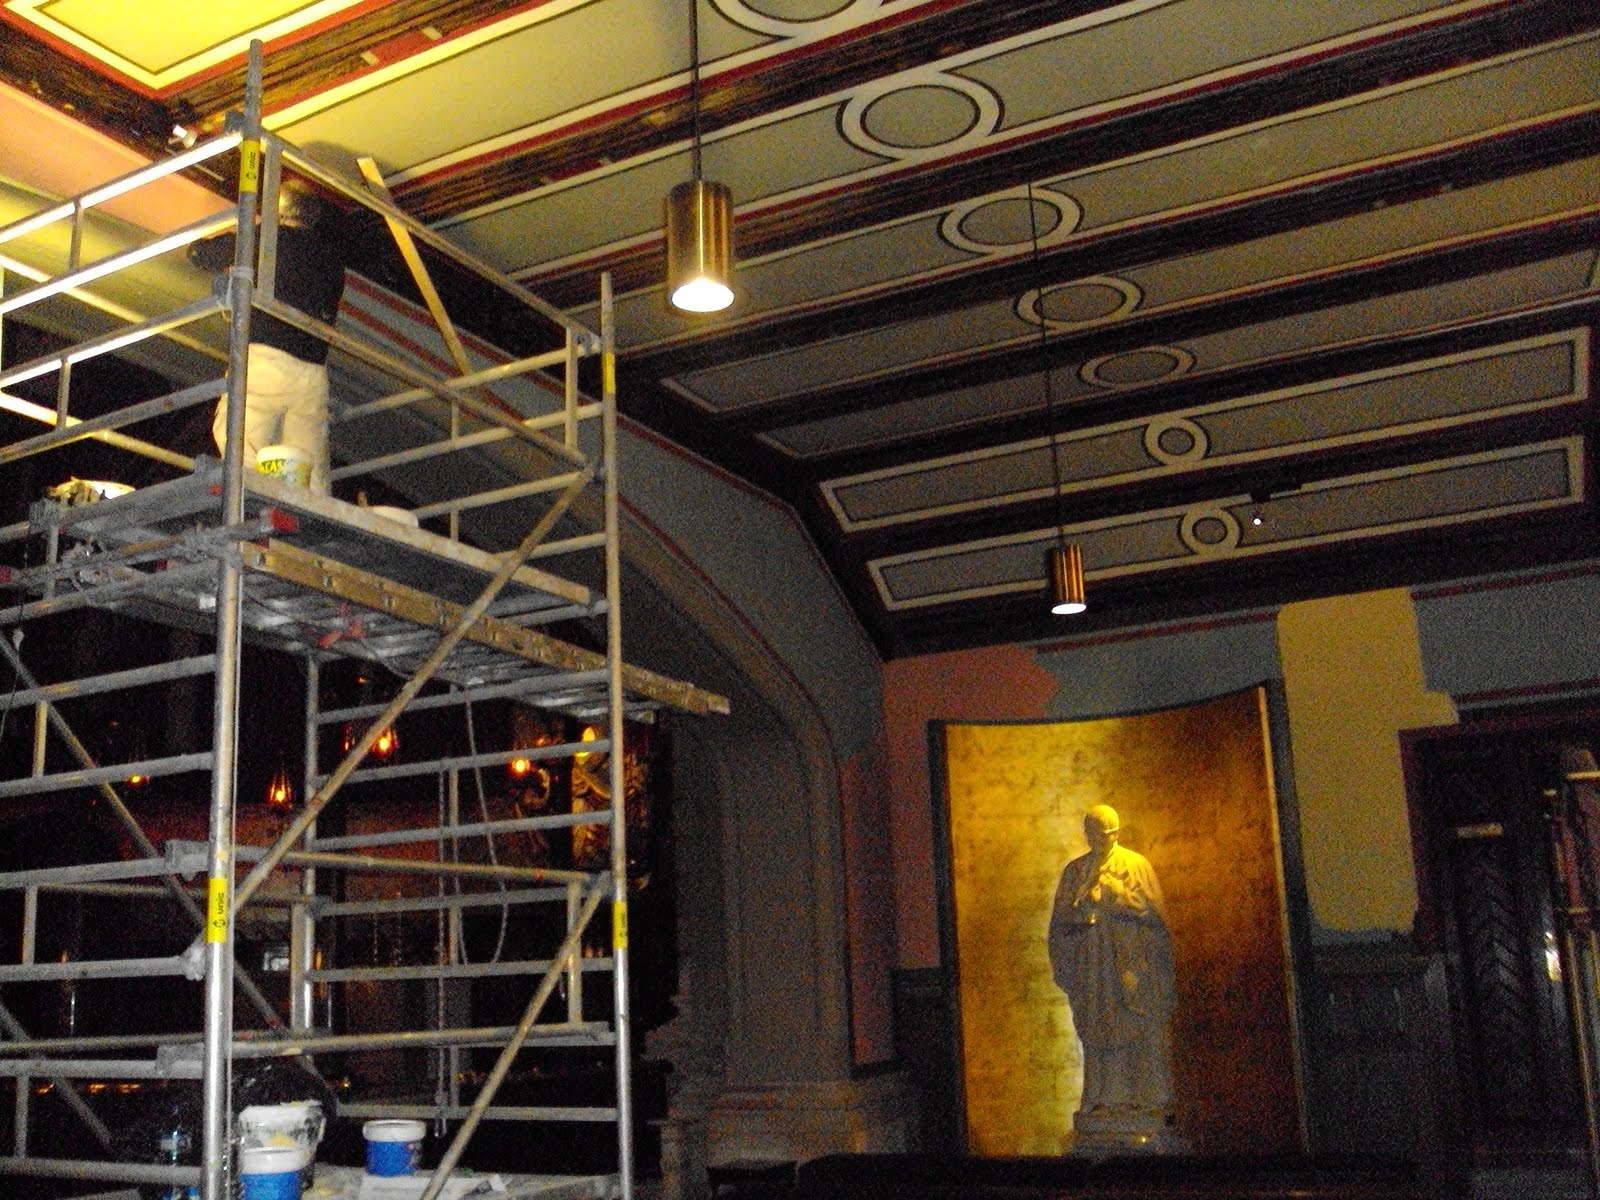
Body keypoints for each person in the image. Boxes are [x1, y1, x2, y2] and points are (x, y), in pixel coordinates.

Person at [190, 176, 346, 494]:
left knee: (238, 439)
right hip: (313, 374)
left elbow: (200, 253)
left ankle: (246, 502)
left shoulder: (269, 239)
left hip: (267, 361)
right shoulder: (332, 261)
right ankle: (310, 516)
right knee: (307, 464)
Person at [1047, 804, 1176, 1127]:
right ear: (1087, 835)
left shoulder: (1136, 865)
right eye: (1095, 834)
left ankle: (1144, 1100)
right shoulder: (1075, 871)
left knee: (1136, 1028)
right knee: (1099, 1031)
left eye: (1108, 834)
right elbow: (1060, 923)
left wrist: (1118, 897)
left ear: (1116, 834)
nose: (1102, 840)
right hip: (1092, 967)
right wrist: (1081, 913)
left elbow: (1155, 917)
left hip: (1130, 967)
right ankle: (1102, 1099)